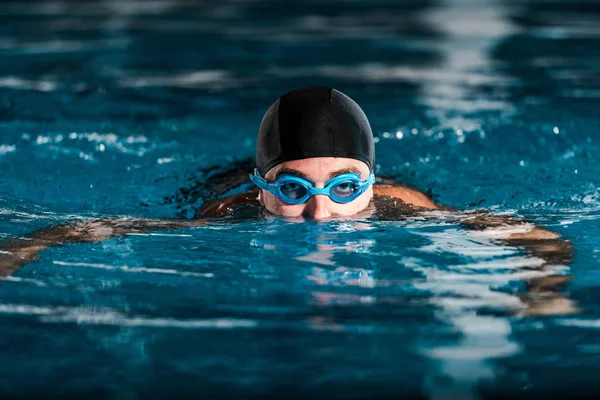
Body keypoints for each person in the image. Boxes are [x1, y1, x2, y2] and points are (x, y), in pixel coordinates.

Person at [0, 87, 575, 314]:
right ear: (264, 191)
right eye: (296, 190)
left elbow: (538, 237)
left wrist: (544, 293)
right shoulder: (225, 215)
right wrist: (15, 254)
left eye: (345, 188)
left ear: (371, 187)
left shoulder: (408, 209)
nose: (320, 214)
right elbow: (91, 229)